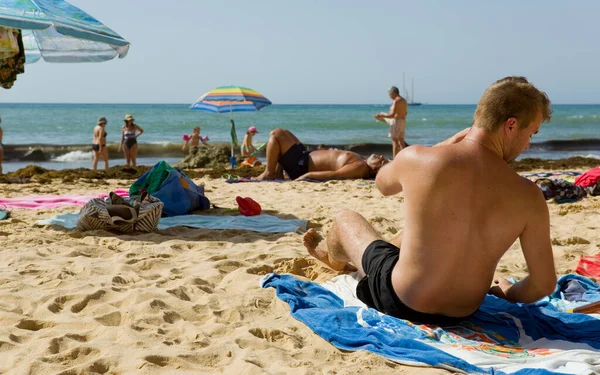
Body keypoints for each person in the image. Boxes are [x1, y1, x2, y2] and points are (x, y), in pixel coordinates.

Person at [303, 76, 556, 325]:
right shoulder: (529, 195)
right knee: (416, 231)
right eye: (530, 134)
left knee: (345, 219)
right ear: (510, 126)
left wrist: (440, 147)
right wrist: (509, 292)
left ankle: (334, 260)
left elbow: (382, 183)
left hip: (401, 300)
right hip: (464, 311)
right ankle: (358, 259)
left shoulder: (418, 158)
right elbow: (543, 284)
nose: (528, 145)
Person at [255, 128, 389, 181]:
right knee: (285, 132)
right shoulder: (362, 161)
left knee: (276, 134)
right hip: (304, 157)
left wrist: (307, 176)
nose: (382, 157)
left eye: (382, 162)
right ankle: (277, 173)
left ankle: (269, 173)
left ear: (374, 170)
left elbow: (335, 175)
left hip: (302, 166)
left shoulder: (360, 167)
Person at [374, 86, 408, 157]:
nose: (389, 96)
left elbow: (392, 115)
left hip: (396, 122)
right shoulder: (404, 100)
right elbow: (405, 113)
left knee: (394, 142)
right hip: (402, 121)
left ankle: (395, 159)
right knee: (401, 141)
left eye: (390, 94)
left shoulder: (396, 101)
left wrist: (382, 115)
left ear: (393, 93)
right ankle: (404, 158)